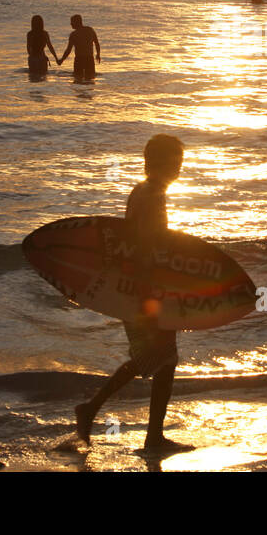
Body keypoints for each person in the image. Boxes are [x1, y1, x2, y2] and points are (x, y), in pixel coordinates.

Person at [75, 134, 193, 454]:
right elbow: (145, 249)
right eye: (176, 162)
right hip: (145, 291)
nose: (180, 168)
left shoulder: (143, 191)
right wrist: (152, 296)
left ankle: (97, 411)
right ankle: (145, 434)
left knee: (153, 359)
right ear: (158, 162)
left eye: (180, 162)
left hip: (138, 289)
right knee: (160, 359)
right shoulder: (152, 195)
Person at [58, 14, 100, 83]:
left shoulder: (73, 34)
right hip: (89, 59)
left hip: (79, 60)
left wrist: (62, 60)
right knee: (90, 80)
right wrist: (98, 54)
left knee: (78, 80)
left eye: (72, 22)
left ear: (77, 22)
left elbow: (68, 50)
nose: (70, 24)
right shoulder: (90, 30)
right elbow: (97, 43)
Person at [26, 15, 58, 81]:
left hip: (32, 58)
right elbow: (50, 47)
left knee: (32, 77)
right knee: (43, 77)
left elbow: (28, 48)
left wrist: (31, 56)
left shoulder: (30, 34)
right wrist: (56, 58)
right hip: (42, 58)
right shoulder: (44, 34)